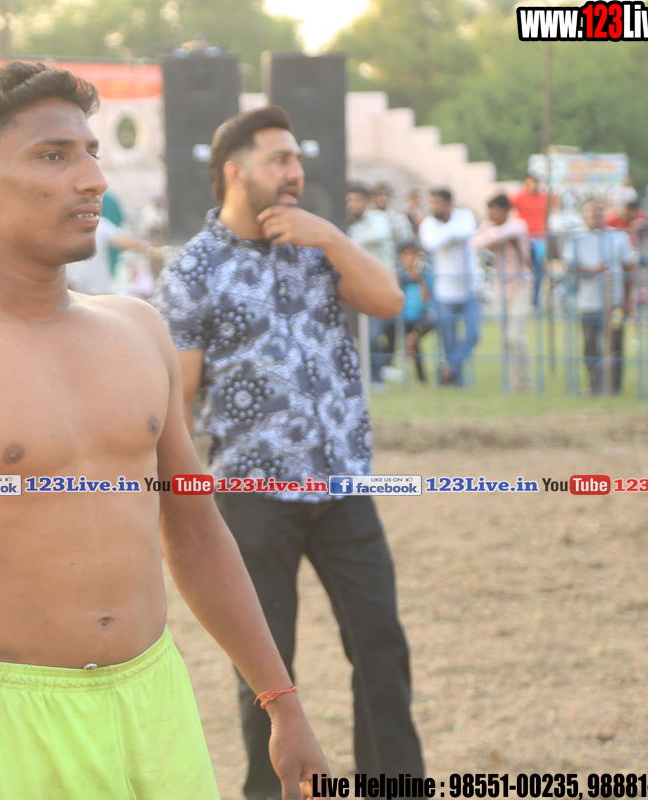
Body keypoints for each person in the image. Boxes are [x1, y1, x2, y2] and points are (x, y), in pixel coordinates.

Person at [0, 63, 329, 800]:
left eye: (91, 152)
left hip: (157, 703)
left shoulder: (140, 330)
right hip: (13, 723)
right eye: (53, 156)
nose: (92, 179)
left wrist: (281, 702)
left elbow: (196, 532)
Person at [152, 105, 420, 800]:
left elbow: (388, 300)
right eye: (280, 159)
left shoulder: (317, 247)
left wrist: (328, 234)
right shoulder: (192, 271)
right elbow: (180, 398)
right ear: (235, 172)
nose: (295, 171)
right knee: (267, 673)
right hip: (252, 498)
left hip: (342, 488)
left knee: (381, 647)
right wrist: (180, 502)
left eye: (297, 158)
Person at [562, 199, 638, 396]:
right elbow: (570, 266)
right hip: (587, 302)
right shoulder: (575, 237)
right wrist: (593, 271)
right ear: (584, 215)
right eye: (590, 211)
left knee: (615, 345)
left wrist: (627, 299)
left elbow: (629, 268)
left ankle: (614, 387)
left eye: (598, 211)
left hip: (614, 300)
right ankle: (595, 386)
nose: (595, 215)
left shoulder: (618, 237)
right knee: (590, 344)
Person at [470, 194, 533, 393]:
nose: (490, 214)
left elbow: (493, 237)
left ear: (506, 210)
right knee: (507, 339)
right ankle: (516, 384)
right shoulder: (490, 226)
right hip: (500, 288)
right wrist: (490, 233)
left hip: (521, 286)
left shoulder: (518, 225)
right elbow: (474, 243)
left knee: (516, 336)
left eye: (494, 209)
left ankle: (526, 382)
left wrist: (490, 234)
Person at [419, 188, 480, 386]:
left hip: (470, 289)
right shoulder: (429, 223)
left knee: (473, 334)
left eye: (437, 202)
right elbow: (431, 243)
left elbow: (467, 231)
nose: (433, 207)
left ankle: (447, 369)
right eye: (431, 202)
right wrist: (453, 230)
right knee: (449, 340)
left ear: (448, 203)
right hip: (444, 291)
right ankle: (456, 382)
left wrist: (446, 232)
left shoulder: (465, 215)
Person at [347, 183, 399, 388]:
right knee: (358, 335)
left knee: (374, 335)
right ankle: (370, 375)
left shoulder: (378, 219)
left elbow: (379, 235)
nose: (353, 205)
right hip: (356, 288)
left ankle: (377, 376)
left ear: (367, 202)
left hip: (381, 287)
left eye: (358, 200)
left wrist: (340, 240)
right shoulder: (348, 224)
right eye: (349, 200)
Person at [64, 212, 153, 295]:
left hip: (98, 289)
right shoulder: (64, 227)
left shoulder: (98, 224)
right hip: (74, 291)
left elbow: (121, 239)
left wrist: (144, 245)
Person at [397, 242, 435, 384]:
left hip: (420, 315)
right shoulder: (399, 276)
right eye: (407, 254)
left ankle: (411, 339)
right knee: (416, 347)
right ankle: (423, 380)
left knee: (431, 323)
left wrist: (421, 281)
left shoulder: (423, 276)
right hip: (404, 316)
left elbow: (426, 298)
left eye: (413, 254)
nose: (410, 258)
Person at [509, 173, 548, 304]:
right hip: (523, 238)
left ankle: (535, 301)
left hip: (539, 239)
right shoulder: (518, 196)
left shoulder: (544, 197)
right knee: (523, 269)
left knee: (538, 269)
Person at [371, 182, 415, 251]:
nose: (383, 198)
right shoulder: (366, 218)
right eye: (379, 195)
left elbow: (407, 240)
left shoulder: (399, 218)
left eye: (386, 195)